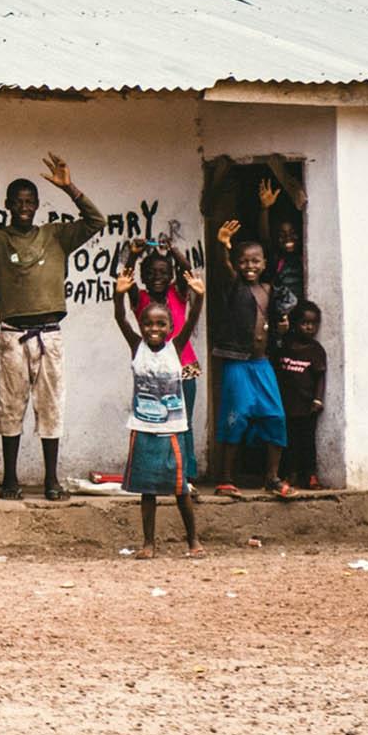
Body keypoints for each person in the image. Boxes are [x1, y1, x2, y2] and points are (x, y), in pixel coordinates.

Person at [0, 155, 106, 501]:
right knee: (10, 409)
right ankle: (10, 480)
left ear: (36, 205)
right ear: (6, 206)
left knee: (50, 408)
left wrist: (68, 187)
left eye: (29, 202)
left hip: (50, 334)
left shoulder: (56, 235)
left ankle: (51, 480)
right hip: (13, 336)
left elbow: (96, 221)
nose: (23, 207)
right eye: (17, 202)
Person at [112, 253, 205, 558]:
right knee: (147, 490)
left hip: (172, 430)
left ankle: (193, 541)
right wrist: (119, 294)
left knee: (180, 490)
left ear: (169, 327)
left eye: (161, 324)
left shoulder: (176, 348)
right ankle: (148, 544)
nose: (154, 329)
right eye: (148, 324)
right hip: (142, 428)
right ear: (141, 325)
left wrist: (199, 297)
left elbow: (191, 319)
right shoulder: (136, 346)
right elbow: (120, 318)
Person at [209, 219, 288, 497]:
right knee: (236, 415)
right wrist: (222, 246)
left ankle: (272, 477)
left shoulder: (268, 290)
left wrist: (281, 328)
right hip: (238, 361)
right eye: (243, 261)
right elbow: (225, 269)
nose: (250, 266)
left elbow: (274, 322)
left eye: (255, 261)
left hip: (261, 362)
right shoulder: (234, 286)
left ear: (264, 263)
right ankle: (226, 478)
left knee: (275, 415)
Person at [125, 238, 201, 428]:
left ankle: (185, 459)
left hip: (184, 367)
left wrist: (172, 250)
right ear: (142, 277)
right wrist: (133, 254)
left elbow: (187, 271)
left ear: (171, 276)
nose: (157, 277)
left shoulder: (177, 293)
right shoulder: (139, 298)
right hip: (153, 370)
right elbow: (125, 278)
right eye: (150, 273)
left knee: (184, 423)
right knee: (156, 422)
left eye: (163, 273)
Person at [274, 301, 328, 489]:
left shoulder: (316, 350)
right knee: (288, 442)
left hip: (306, 407)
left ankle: (310, 474)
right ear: (294, 323)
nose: (309, 327)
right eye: (304, 323)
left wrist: (318, 399)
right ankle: (290, 474)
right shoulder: (285, 346)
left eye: (313, 324)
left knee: (307, 442)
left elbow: (320, 376)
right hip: (285, 404)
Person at [258, 179, 306, 320]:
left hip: (302, 317)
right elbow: (264, 239)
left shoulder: (306, 257)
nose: (288, 238)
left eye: (292, 233)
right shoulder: (276, 259)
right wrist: (264, 208)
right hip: (281, 315)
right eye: (282, 235)